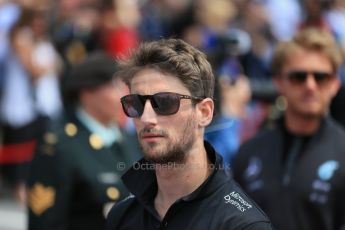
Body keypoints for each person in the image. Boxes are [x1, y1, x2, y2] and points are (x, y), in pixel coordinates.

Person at [106, 38, 273, 230]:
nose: (146, 117)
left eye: (165, 102)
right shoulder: (122, 216)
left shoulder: (242, 225)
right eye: (135, 104)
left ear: (204, 112)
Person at [232, 28, 345, 230]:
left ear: (335, 84)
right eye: (298, 76)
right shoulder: (248, 153)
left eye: (320, 77)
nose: (310, 85)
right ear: (279, 82)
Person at [27, 52, 140, 230]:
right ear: (88, 93)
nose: (126, 96)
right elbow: (46, 222)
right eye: (116, 88)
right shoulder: (60, 147)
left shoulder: (131, 140)